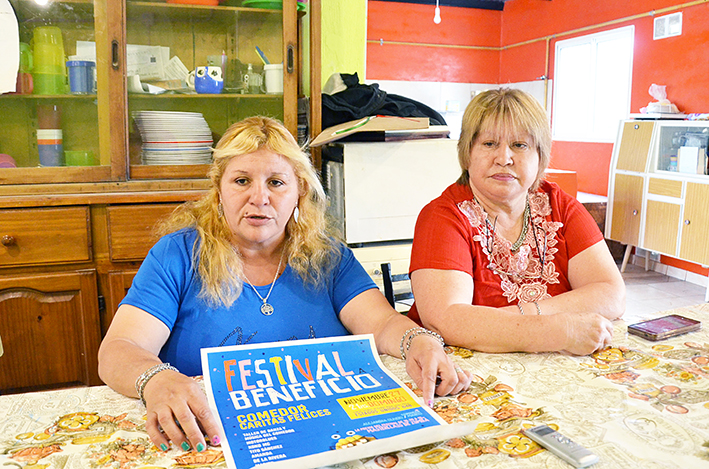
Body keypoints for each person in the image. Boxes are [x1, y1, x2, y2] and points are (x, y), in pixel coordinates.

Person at [98, 116, 472, 454]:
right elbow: (119, 348)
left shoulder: (329, 257)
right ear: (219, 192)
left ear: (299, 193)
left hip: (330, 438)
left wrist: (418, 340)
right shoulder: (177, 255)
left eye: (276, 182)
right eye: (241, 180)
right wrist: (156, 379)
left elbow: (382, 323)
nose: (259, 197)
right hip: (213, 441)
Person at [407, 89, 625, 356]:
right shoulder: (442, 217)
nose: (504, 158)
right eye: (489, 144)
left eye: (519, 145)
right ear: (466, 155)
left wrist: (520, 318)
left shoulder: (560, 206)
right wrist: (557, 329)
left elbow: (612, 294)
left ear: (540, 157)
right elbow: (447, 320)